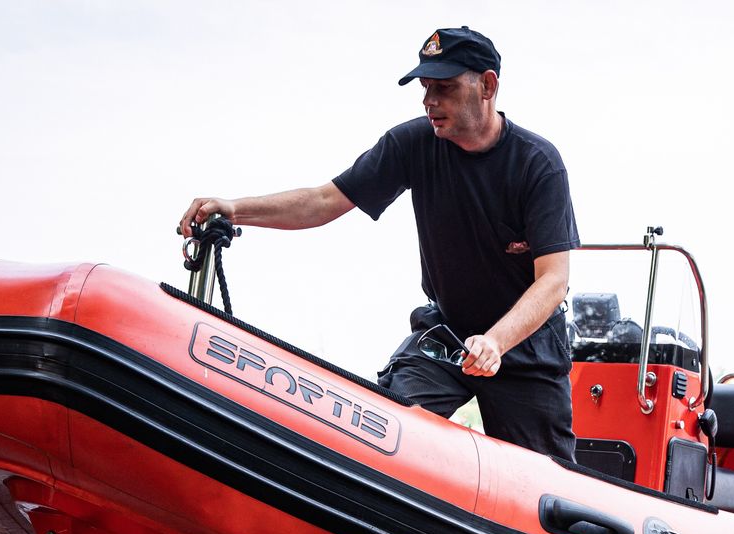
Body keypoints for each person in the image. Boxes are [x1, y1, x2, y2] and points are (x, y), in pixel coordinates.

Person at [178, 26, 579, 460]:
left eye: (443, 88)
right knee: (378, 435)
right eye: (425, 88)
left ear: (487, 85)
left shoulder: (538, 164)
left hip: (523, 349)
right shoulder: (411, 144)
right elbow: (323, 201)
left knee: (546, 488)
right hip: (448, 335)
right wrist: (235, 209)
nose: (429, 101)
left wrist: (497, 342)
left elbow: (554, 280)